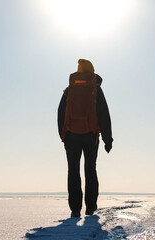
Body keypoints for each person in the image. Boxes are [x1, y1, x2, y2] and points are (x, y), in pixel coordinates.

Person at [58, 59, 113, 218]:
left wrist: (63, 136)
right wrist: (108, 140)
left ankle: (75, 209)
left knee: (73, 171)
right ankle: (90, 208)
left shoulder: (70, 89)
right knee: (90, 169)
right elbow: (104, 114)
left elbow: (61, 112)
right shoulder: (95, 89)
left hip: (71, 136)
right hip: (91, 135)